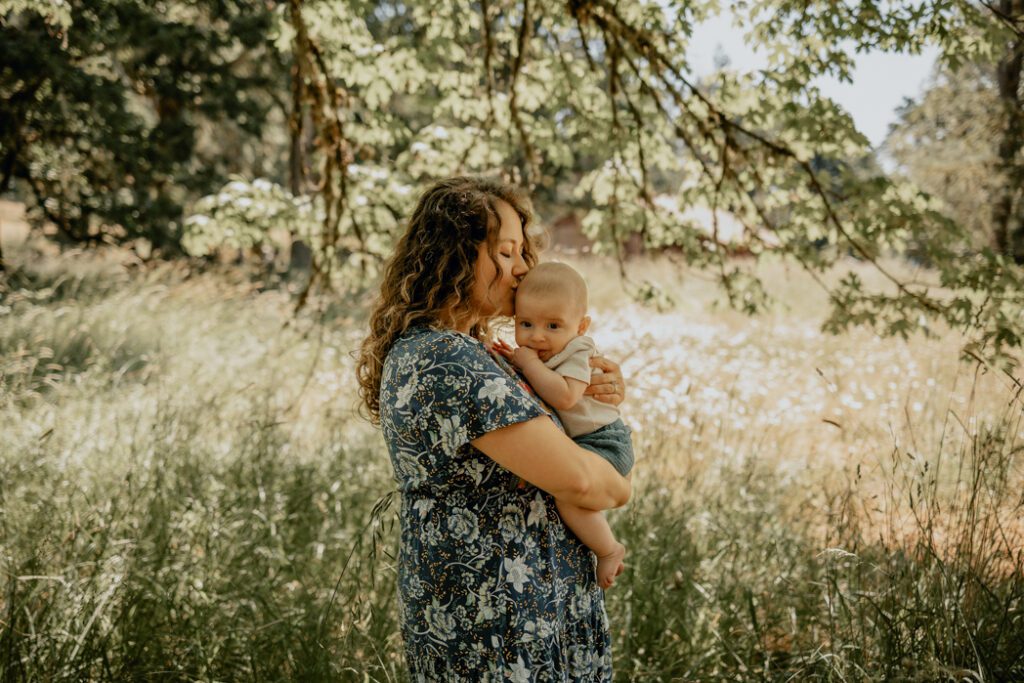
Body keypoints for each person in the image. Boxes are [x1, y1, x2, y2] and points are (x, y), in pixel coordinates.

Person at [356, 176, 631, 680]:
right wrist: (618, 483)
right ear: (455, 255)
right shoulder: (446, 358)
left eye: (523, 251)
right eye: (506, 252)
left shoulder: (469, 350)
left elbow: (558, 427)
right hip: (498, 619)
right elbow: (583, 482)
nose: (524, 268)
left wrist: (597, 392)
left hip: (522, 609)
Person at [493, 262, 634, 590]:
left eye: (553, 325)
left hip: (603, 440)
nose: (537, 336)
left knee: (569, 497)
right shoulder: (546, 351)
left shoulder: (578, 349)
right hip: (589, 438)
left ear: (581, 326)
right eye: (525, 323)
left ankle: (609, 549)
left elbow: (566, 396)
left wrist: (527, 363)